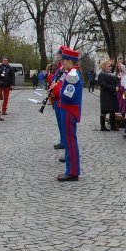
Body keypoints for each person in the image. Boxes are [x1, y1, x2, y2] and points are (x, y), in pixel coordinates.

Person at [51, 47, 83, 181]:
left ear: (70, 61)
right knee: (70, 140)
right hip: (68, 109)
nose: (62, 62)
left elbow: (68, 95)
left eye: (64, 60)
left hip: (69, 110)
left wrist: (55, 87)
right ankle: (71, 170)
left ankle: (73, 171)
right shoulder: (71, 73)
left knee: (70, 141)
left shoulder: (72, 75)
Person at [97, 60, 119, 131]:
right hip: (105, 95)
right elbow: (103, 85)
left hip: (112, 95)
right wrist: (114, 88)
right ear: (104, 66)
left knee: (113, 110)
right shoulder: (101, 75)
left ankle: (113, 125)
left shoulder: (111, 74)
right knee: (104, 111)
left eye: (111, 66)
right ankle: (102, 127)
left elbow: (116, 82)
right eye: (109, 66)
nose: (110, 67)